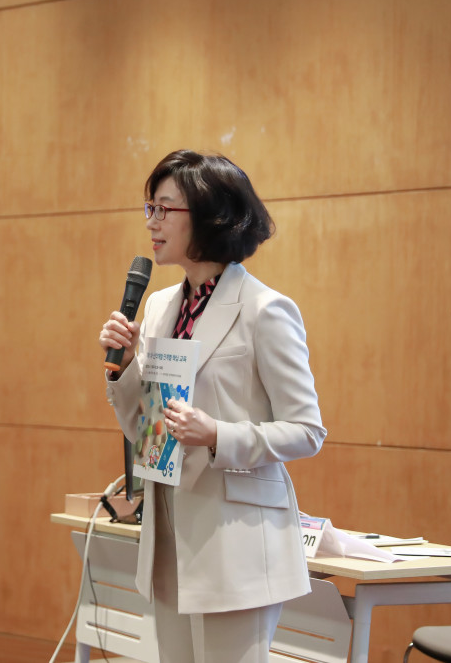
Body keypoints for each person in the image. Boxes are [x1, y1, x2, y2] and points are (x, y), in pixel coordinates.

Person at [98, 149, 327, 663]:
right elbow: (147, 430)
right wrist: (126, 367)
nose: (151, 222)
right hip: (168, 538)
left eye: (164, 209)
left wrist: (219, 435)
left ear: (208, 216)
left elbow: (307, 430)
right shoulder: (160, 306)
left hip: (236, 544)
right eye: (149, 208)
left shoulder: (266, 310)